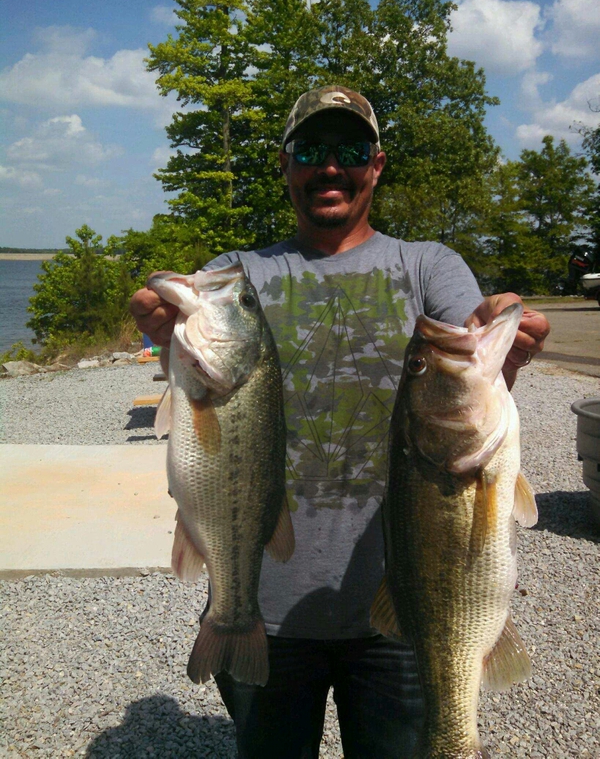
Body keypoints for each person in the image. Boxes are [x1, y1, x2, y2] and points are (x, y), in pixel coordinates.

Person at [130, 85, 550, 758]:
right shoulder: (234, 277)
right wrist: (163, 333)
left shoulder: (430, 266)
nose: (330, 167)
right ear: (285, 164)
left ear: (376, 165)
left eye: (350, 149)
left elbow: (471, 367)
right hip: (263, 608)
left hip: (406, 610)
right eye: (310, 150)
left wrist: (502, 336)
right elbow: (193, 377)